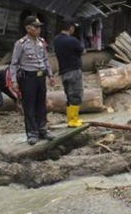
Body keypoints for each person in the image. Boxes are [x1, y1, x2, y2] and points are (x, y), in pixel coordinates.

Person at [10, 16, 55, 145]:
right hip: (28, 77)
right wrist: (14, 81)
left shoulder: (41, 42)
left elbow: (45, 59)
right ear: (28, 28)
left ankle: (42, 130)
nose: (38, 29)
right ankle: (32, 133)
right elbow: (14, 64)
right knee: (29, 105)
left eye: (39, 27)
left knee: (41, 104)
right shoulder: (21, 44)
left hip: (40, 76)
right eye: (36, 27)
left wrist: (50, 75)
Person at [52, 19, 84, 127]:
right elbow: (81, 51)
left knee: (69, 96)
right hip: (74, 70)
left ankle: (69, 119)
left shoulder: (56, 40)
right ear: (70, 27)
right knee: (76, 95)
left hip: (63, 72)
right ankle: (74, 120)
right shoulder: (73, 40)